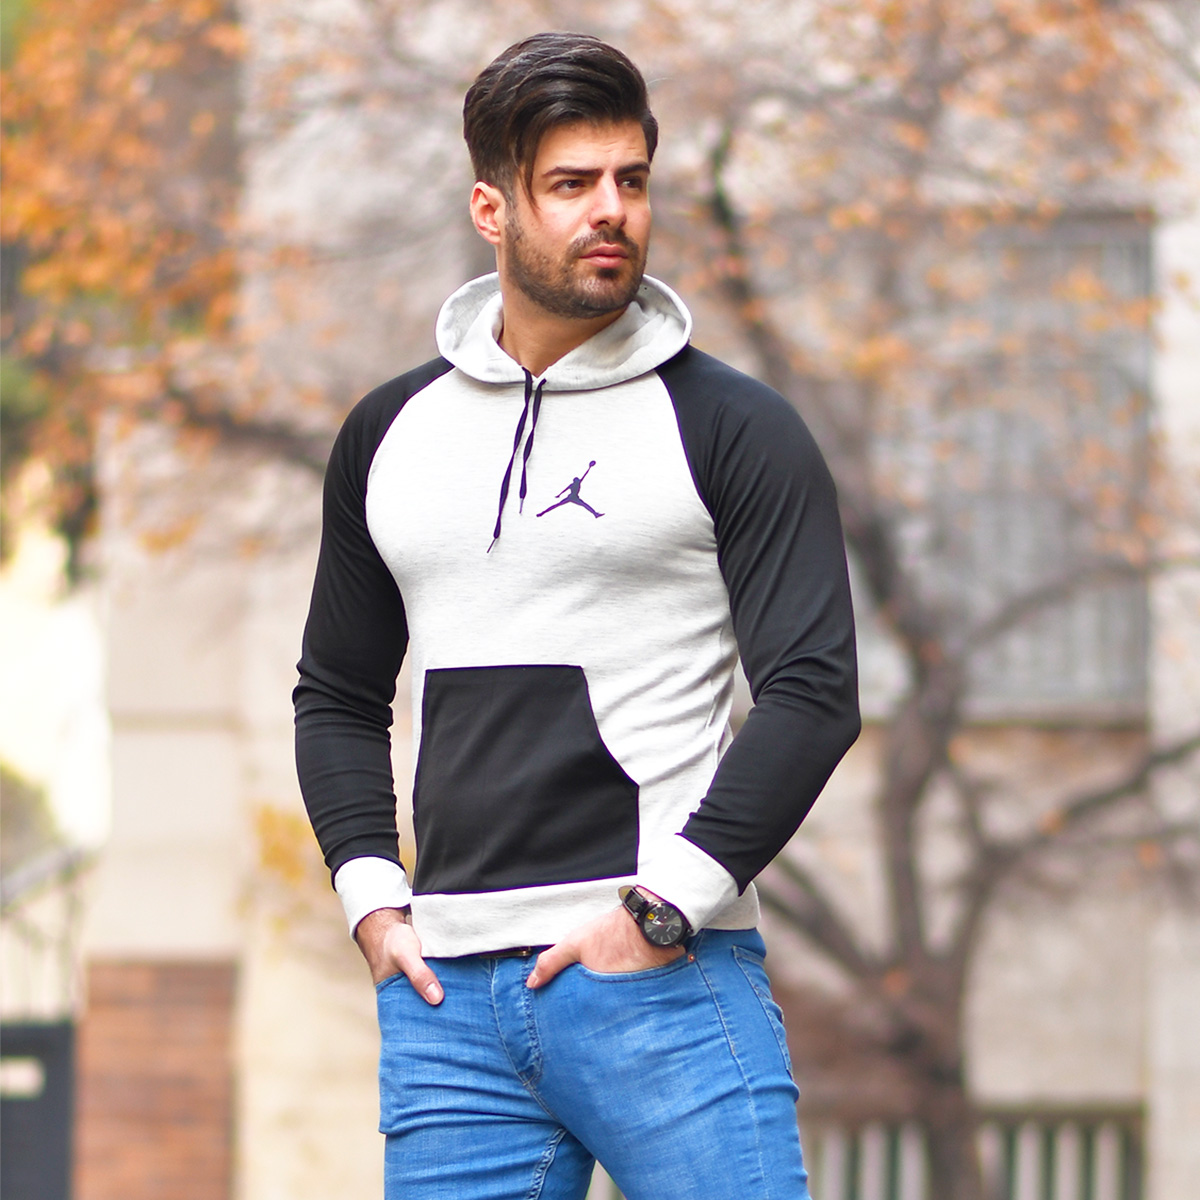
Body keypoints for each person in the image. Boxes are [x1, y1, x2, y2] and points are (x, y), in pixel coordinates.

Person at [294, 31, 859, 1200]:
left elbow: (813, 693)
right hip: (447, 1003)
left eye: (631, 181)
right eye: (571, 184)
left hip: (660, 977)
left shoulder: (733, 428)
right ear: (491, 209)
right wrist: (372, 901)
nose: (612, 211)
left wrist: (664, 910)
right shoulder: (389, 436)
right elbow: (338, 695)